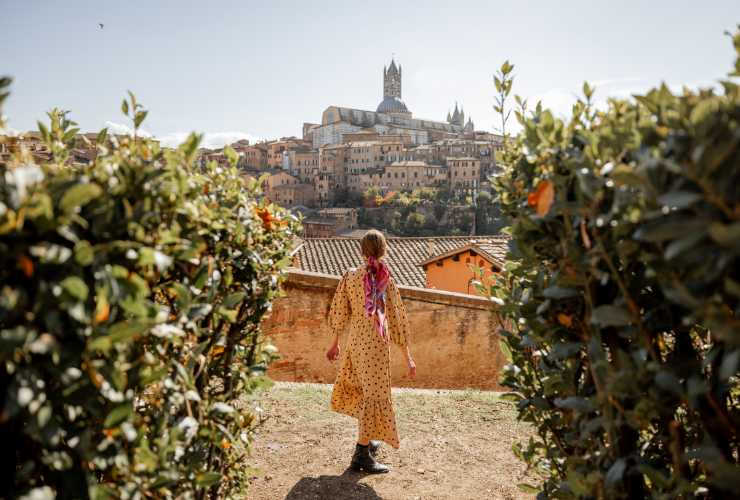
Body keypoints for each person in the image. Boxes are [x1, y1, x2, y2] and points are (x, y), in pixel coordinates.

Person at [325, 229, 416, 474]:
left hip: (355, 343)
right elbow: (397, 320)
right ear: (384, 250)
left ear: (361, 251)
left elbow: (339, 312)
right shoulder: (386, 279)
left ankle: (368, 437)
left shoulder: (349, 276)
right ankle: (361, 455)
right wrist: (408, 357)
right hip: (375, 347)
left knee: (365, 392)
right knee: (373, 396)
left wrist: (335, 343)